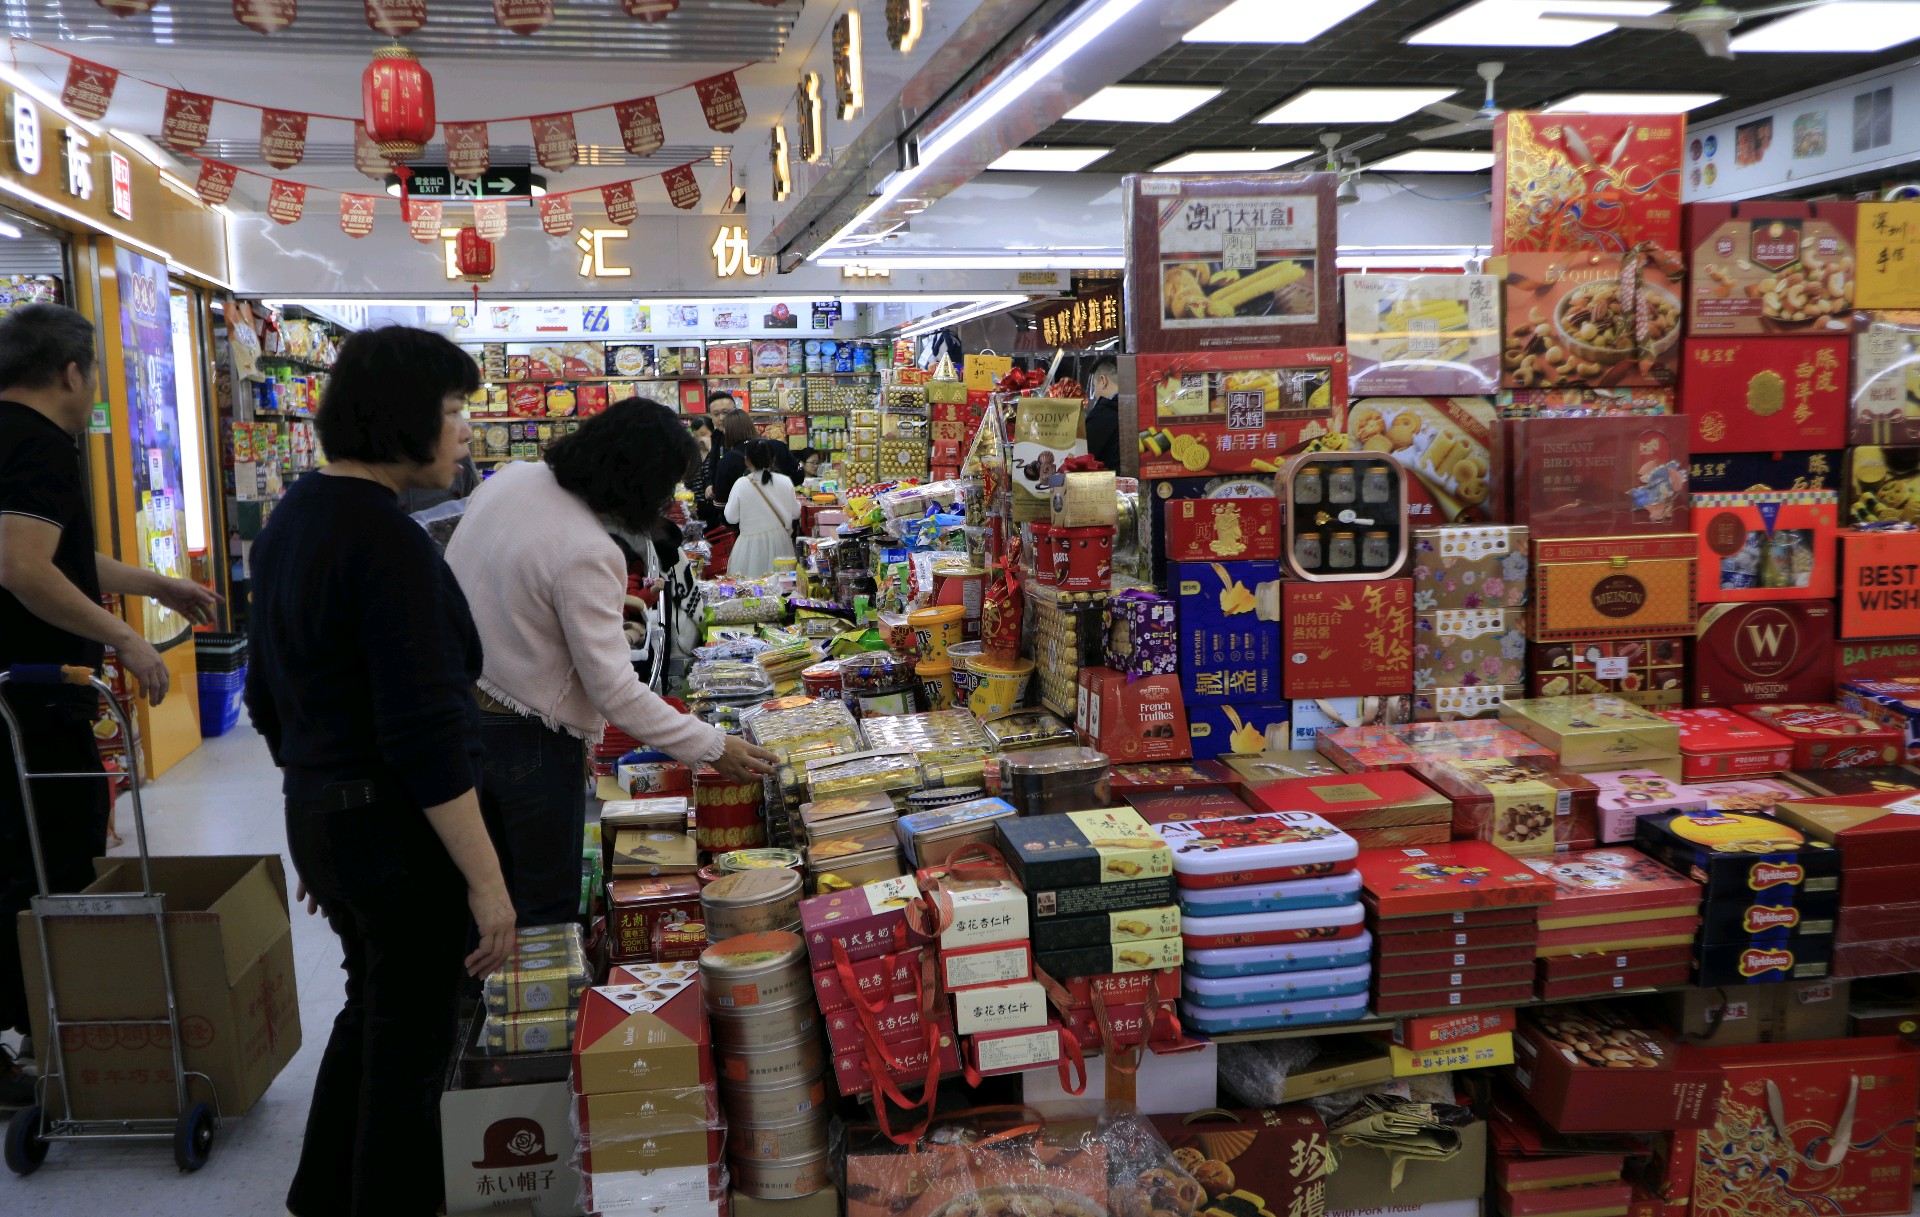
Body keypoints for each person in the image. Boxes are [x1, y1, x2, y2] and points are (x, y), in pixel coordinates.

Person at [245, 326, 514, 1217]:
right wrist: (488, 883)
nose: (465, 429)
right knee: (414, 1043)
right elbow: (424, 736)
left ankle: (323, 1195)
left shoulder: (295, 517)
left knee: (374, 1009)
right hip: (394, 829)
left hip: (332, 815)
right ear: (402, 416)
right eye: (453, 408)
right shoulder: (387, 542)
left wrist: (320, 810)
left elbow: (267, 694)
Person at [0, 304, 219, 1106]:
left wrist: (153, 584)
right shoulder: (39, 443)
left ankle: (39, 1031)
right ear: (71, 372)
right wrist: (125, 639)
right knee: (49, 863)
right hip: (32, 699)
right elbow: (23, 566)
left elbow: (57, 553)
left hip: (19, 695)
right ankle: (49, 1031)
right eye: (94, 372)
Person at [446, 400, 776, 921]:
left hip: (461, 714)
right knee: (543, 905)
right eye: (665, 488)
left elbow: (517, 590)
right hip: (527, 738)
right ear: (636, 483)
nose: (669, 502)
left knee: (487, 896)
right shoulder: (587, 548)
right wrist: (712, 745)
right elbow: (614, 691)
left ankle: (494, 976)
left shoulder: (512, 479)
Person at [724, 439, 799, 579]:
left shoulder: (741, 484)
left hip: (750, 546)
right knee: (782, 584)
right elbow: (796, 512)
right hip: (780, 543)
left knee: (751, 586)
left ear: (746, 461)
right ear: (773, 460)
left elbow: (731, 517)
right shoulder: (785, 481)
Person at [1085, 356, 1122, 472]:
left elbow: (1080, 457)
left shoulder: (1102, 415)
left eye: (1094, 387)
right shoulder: (1141, 410)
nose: (1095, 394)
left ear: (1103, 381)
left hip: (1112, 482)